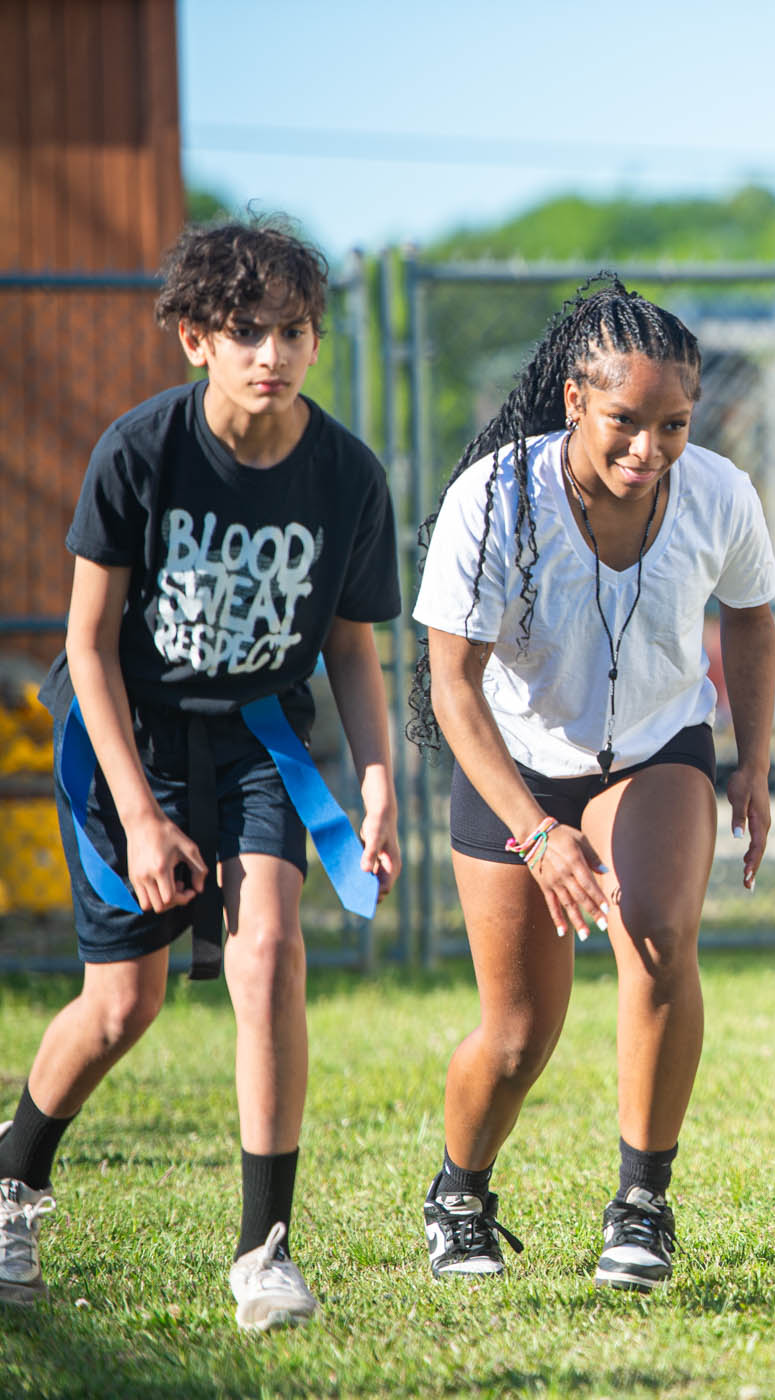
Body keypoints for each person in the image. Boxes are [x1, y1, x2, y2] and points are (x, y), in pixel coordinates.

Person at [0, 218, 401, 1332]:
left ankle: (263, 1250)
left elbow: (354, 651)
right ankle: (13, 1173)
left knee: (268, 952)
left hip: (261, 740)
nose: (270, 353)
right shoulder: (141, 450)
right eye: (244, 332)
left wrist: (376, 781)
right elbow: (86, 644)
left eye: (292, 332)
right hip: (127, 738)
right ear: (194, 338)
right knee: (120, 1002)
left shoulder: (346, 475)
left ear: (316, 341)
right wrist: (138, 816)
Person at [409, 276, 775, 1293]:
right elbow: (452, 684)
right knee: (520, 1030)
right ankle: (460, 1192)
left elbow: (749, 615)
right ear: (575, 399)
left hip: (656, 747)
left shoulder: (717, 493)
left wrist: (752, 759)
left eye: (673, 423)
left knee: (659, 938)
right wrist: (536, 833)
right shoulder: (496, 498)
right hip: (513, 760)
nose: (649, 448)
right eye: (625, 419)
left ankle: (641, 1203)